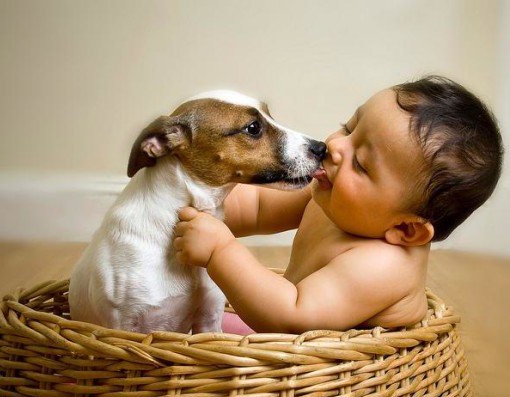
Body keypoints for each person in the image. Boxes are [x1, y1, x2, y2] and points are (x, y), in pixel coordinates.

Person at [173, 76, 504, 333]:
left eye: (360, 163)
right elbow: (255, 206)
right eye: (349, 126)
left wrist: (220, 252)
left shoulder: (384, 264)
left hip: (325, 375)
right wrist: (185, 202)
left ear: (405, 228)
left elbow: (293, 314)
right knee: (180, 332)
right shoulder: (334, 196)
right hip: (281, 343)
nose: (334, 146)